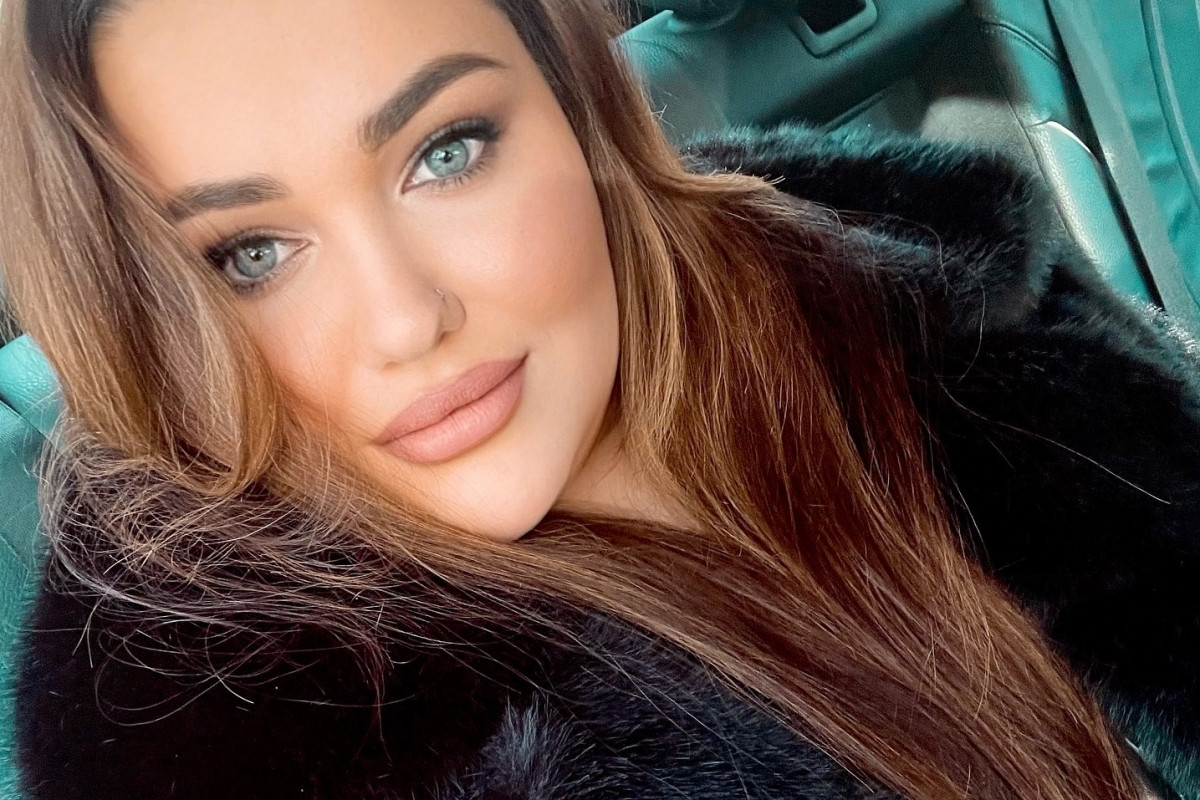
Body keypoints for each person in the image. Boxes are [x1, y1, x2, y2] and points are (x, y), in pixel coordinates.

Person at [2, 0, 1198, 798]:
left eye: (446, 151)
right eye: (249, 255)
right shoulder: (232, 744)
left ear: (576, 102)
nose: (406, 319)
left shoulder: (938, 291)